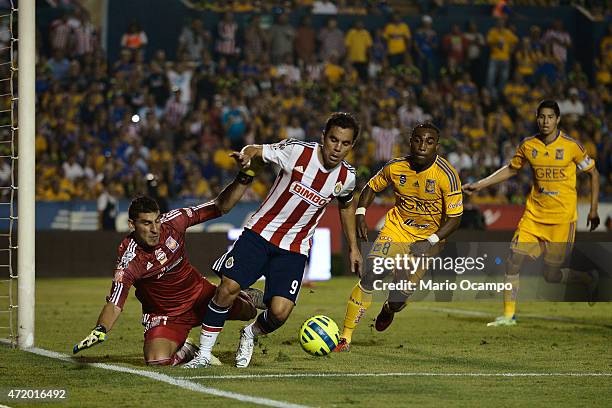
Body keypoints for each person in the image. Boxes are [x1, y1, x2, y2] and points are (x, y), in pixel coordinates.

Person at [185, 112, 363, 368]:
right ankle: (203, 353)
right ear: (323, 137)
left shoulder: (347, 177)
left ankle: (250, 334)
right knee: (227, 289)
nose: (337, 148)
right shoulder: (296, 152)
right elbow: (256, 150)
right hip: (260, 233)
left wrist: (354, 248)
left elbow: (346, 206)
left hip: (294, 248)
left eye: (345, 143)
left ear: (352, 146)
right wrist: (246, 156)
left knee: (280, 312)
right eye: (333, 139)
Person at [73, 168, 264, 366]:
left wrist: (243, 178)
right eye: (146, 223)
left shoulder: (174, 222)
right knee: (157, 361)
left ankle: (245, 295)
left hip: (201, 296)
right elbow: (115, 302)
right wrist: (100, 329)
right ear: (132, 224)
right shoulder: (129, 260)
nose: (155, 229)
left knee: (249, 312)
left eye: (156, 221)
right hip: (166, 314)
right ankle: (188, 350)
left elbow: (219, 206)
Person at [463, 100, 600, 327]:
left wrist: (593, 210)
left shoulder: (571, 146)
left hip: (562, 220)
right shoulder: (528, 145)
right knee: (513, 260)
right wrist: (480, 184)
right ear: (537, 118)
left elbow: (593, 174)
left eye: (550, 117)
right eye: (541, 117)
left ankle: (587, 278)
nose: (545, 121)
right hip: (534, 217)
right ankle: (508, 315)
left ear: (558, 120)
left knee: (551, 275)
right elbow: (511, 169)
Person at [335, 122, 463, 352]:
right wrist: (361, 213)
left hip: (427, 240)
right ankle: (345, 337)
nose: (422, 146)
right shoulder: (395, 167)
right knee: (373, 273)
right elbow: (371, 187)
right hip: (396, 229)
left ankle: (389, 308)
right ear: (410, 141)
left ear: (437, 146)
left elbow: (455, 218)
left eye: (429, 142)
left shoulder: (447, 175)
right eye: (418, 140)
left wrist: (431, 241)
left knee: (397, 299)